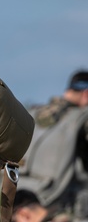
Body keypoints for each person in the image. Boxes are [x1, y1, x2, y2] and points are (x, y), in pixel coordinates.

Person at [17, 70, 88, 222]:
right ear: (86, 95)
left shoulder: (31, 113)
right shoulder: (82, 120)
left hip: (15, 209)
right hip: (58, 213)